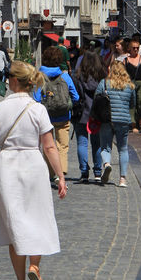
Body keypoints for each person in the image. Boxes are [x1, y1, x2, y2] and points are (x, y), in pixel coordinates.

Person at [0, 60, 66, 280]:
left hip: (7, 165)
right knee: (37, 218)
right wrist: (60, 176)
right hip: (33, 164)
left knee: (14, 224)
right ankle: (35, 267)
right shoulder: (38, 109)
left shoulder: (0, 108)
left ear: (14, 81)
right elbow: (49, 147)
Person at [37, 45, 79, 180]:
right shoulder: (65, 77)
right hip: (63, 115)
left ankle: (51, 173)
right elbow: (76, 97)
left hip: (46, 118)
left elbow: (36, 98)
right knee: (62, 145)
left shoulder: (40, 77)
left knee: (48, 146)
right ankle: (61, 171)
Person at [95, 61, 136, 187]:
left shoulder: (105, 83)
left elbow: (97, 97)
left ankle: (107, 164)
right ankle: (122, 179)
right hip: (123, 120)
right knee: (123, 149)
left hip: (107, 119)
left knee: (105, 147)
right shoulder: (130, 85)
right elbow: (132, 104)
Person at [73, 50, 105, 183]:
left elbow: (75, 95)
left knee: (82, 142)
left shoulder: (77, 76)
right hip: (97, 113)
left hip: (81, 112)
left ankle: (84, 172)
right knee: (97, 143)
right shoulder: (102, 76)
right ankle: (98, 172)